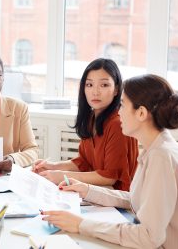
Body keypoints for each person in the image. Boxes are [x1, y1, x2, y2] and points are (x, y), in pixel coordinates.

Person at [42, 74, 178, 248]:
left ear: (141, 113)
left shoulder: (160, 156)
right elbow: (136, 200)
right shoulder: (156, 146)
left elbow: (148, 237)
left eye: (123, 105)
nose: (119, 112)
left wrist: (81, 225)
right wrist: (87, 190)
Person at [33, 58, 138, 191]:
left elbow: (109, 177)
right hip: (97, 193)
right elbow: (84, 162)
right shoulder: (91, 118)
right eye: (89, 85)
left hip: (119, 200)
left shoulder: (117, 124)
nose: (95, 92)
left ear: (116, 89)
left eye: (104, 85)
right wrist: (52, 166)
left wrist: (61, 175)